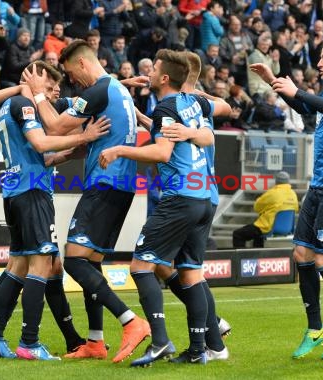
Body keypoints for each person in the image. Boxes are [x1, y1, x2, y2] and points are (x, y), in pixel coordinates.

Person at [99, 48, 230, 365]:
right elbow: (220, 112)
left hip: (181, 197)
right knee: (191, 275)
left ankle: (160, 341)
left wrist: (119, 150)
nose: (148, 71)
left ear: (166, 76)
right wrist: (172, 125)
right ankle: (204, 347)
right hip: (203, 198)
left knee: (142, 265)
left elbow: (161, 153)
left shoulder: (168, 107)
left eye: (154, 67)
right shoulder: (193, 102)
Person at [21, 40, 151, 363]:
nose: (73, 83)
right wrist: (64, 154)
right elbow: (87, 142)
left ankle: (131, 321)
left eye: (70, 74)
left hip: (107, 183)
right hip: (119, 184)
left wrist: (38, 92)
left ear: (81, 65)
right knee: (90, 261)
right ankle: (95, 342)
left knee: (75, 259)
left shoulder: (101, 91)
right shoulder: (115, 90)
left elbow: (54, 125)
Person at [0, 60, 111, 360]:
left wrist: (65, 154)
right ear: (35, 81)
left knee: (19, 265)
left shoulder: (4, 106)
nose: (53, 94)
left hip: (15, 190)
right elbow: (39, 144)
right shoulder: (24, 104)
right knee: (42, 266)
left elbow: (40, 156)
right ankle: (29, 342)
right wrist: (84, 137)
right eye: (50, 87)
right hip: (32, 192)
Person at [250, 37, 323, 360]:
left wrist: (298, 91)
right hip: (319, 185)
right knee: (301, 253)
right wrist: (274, 82)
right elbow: (304, 105)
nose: (319, 63)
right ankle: (316, 328)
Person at [232, 171, 298, 248]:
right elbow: (295, 209)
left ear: (276, 181)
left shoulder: (272, 193)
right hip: (287, 228)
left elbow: (256, 207)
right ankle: (257, 257)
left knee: (238, 234)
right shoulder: (293, 194)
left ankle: (240, 259)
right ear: (288, 181)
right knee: (258, 237)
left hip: (267, 227)